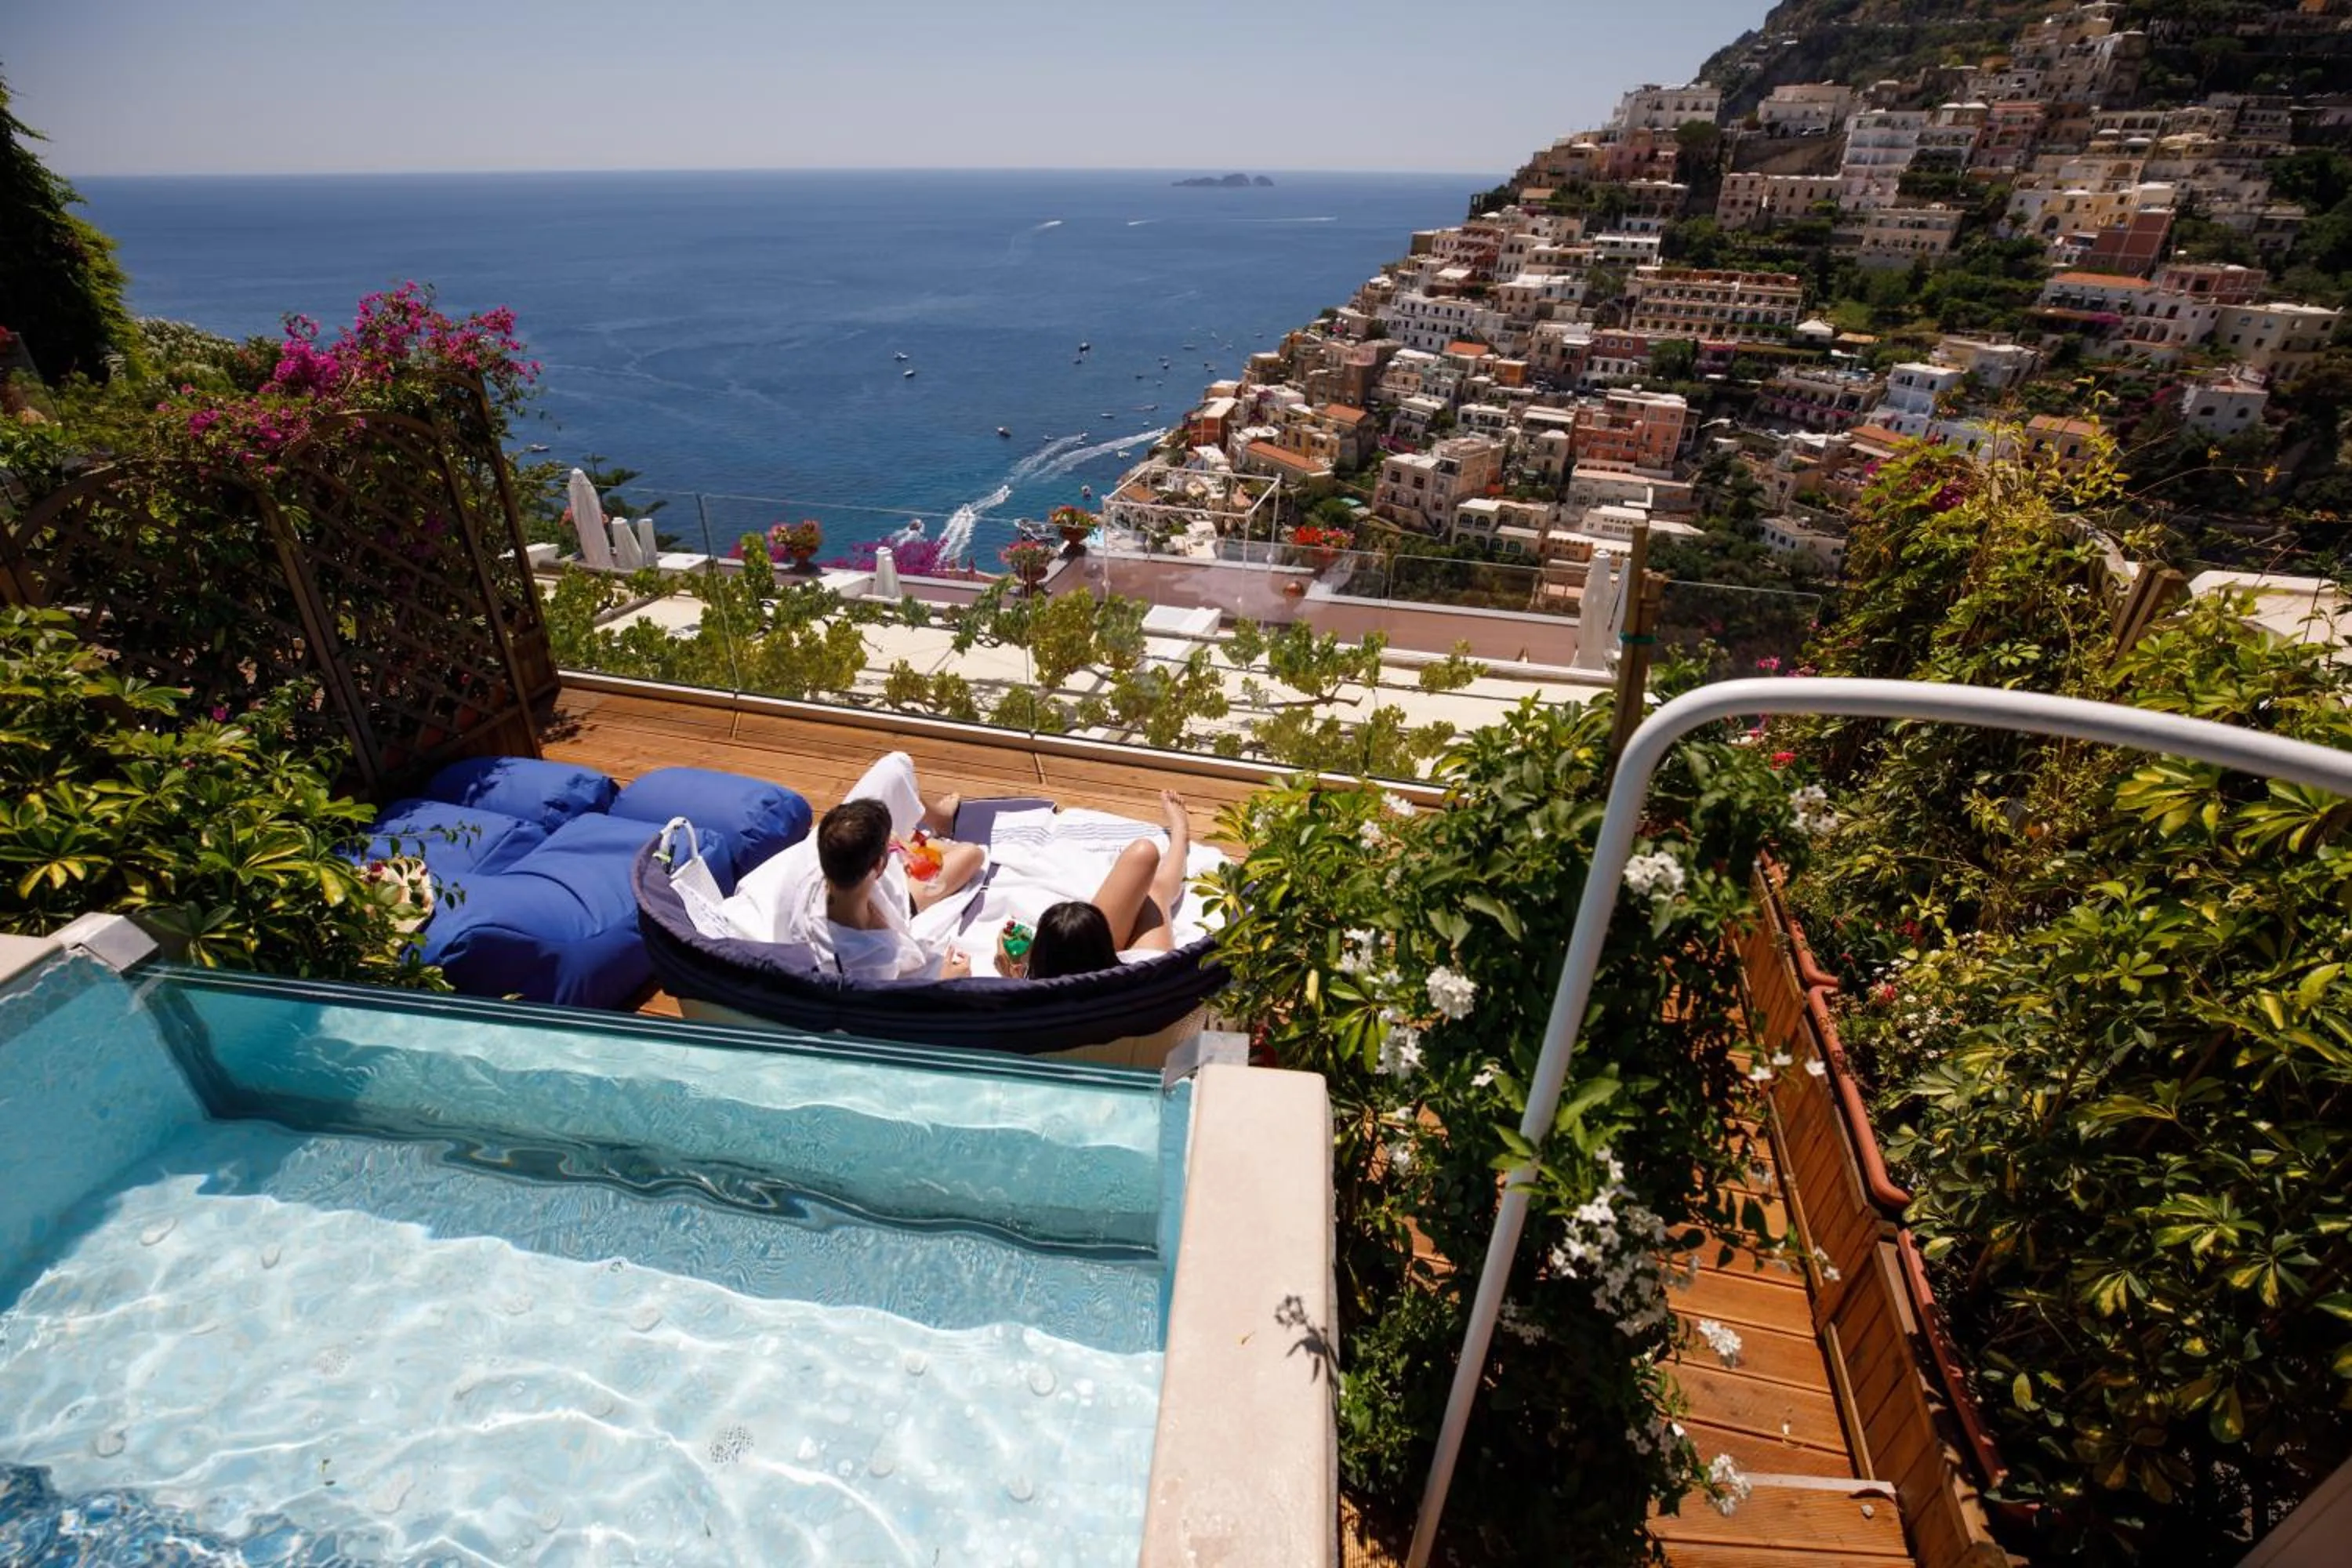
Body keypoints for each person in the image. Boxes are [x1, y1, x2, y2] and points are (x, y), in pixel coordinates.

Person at [1002, 790, 1191, 980]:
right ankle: (1180, 835)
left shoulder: (1029, 995)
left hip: (1105, 982)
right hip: (1130, 975)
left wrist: (1014, 977)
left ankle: (1179, 839)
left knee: (1145, 857)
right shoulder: (1149, 972)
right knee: (1155, 889)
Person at [808, 792, 983, 982]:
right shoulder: (875, 961)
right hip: (904, 893)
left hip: (881, 880)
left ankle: (924, 834)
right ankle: (923, 840)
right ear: (879, 866)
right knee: (972, 854)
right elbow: (894, 1007)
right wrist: (946, 981)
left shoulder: (823, 874)